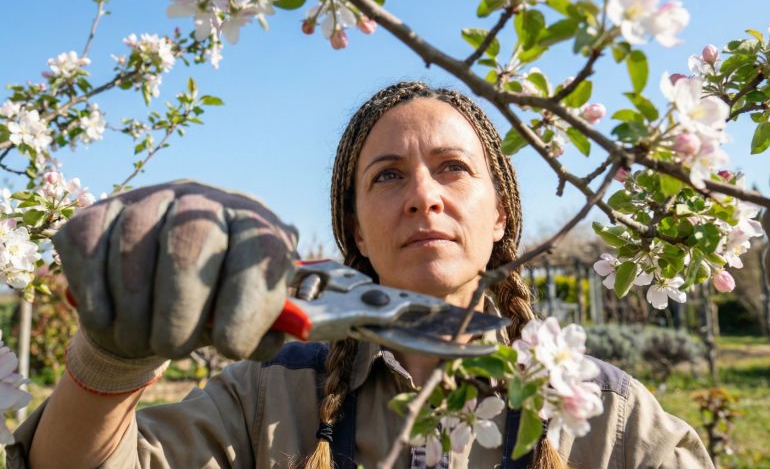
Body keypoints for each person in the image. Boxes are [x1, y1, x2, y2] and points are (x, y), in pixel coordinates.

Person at [6, 82, 714, 469]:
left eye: (453, 168)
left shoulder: (605, 412)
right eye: (388, 175)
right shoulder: (266, 394)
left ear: (501, 214)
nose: (422, 195)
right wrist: (110, 362)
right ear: (356, 230)